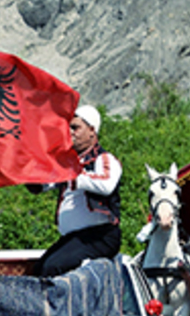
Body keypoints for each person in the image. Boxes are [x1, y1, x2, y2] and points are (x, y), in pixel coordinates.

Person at [30, 105, 122, 277]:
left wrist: (73, 176)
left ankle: (60, 304)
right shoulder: (69, 163)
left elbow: (107, 184)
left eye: (75, 127)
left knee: (52, 268)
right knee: (38, 269)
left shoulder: (104, 158)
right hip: (76, 238)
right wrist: (26, 173)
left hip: (99, 236)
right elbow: (44, 185)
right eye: (68, 128)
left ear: (92, 131)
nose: (70, 132)